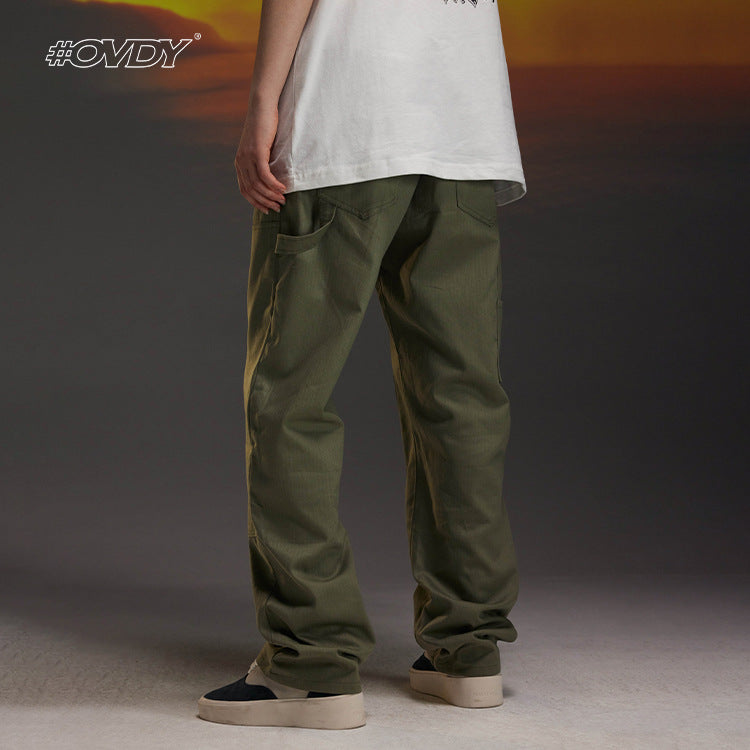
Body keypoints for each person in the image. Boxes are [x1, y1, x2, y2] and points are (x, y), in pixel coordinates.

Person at [198, 0, 526, 730]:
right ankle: (468, 650)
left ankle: (310, 666)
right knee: (461, 398)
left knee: (290, 400)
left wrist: (261, 102)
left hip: (349, 116)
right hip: (463, 121)